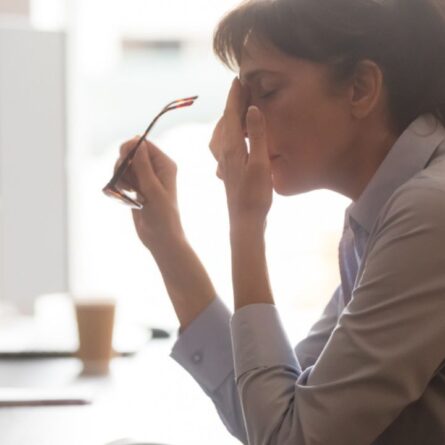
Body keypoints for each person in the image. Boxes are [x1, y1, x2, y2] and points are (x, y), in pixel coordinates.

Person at [112, 0, 445, 443]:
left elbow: (289, 437)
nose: (241, 125)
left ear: (360, 88)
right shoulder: (385, 213)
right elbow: (270, 407)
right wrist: (167, 242)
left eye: (264, 91)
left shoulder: (428, 211)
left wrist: (246, 223)